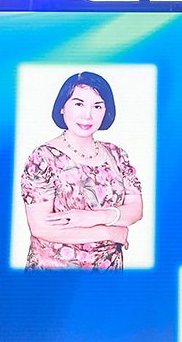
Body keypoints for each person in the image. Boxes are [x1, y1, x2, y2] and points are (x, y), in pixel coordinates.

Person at [21, 71, 143, 270]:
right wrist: (110, 232)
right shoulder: (43, 157)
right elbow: (40, 227)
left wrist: (94, 217)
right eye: (79, 104)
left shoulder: (117, 155)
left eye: (97, 106)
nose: (87, 115)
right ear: (62, 107)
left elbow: (135, 210)